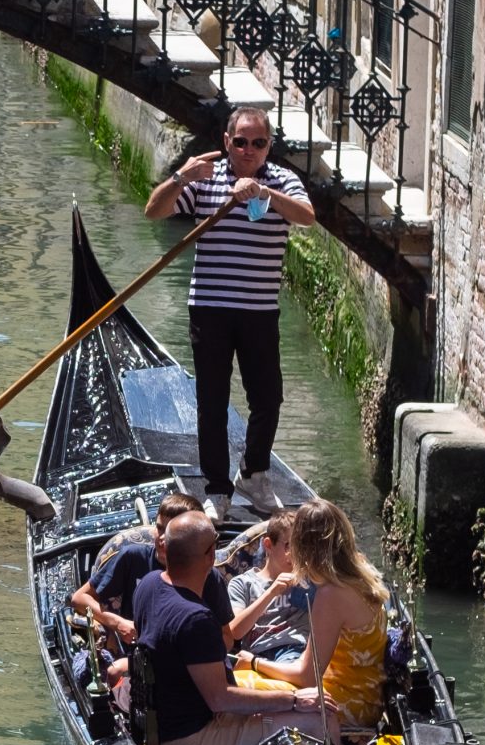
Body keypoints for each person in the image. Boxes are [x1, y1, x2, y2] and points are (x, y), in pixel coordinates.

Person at [142, 104, 316, 522]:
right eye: (241, 142)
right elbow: (154, 211)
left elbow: (307, 218)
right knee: (212, 401)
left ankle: (254, 475)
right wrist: (183, 175)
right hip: (210, 307)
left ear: (268, 145)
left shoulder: (283, 180)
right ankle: (217, 488)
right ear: (227, 142)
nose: (249, 150)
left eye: (258, 143)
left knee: (268, 398)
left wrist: (262, 194)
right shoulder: (207, 178)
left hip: (259, 311)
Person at [112, 513, 337, 745]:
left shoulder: (149, 584)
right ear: (210, 556)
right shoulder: (196, 619)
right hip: (194, 739)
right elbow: (221, 698)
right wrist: (295, 700)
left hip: (173, 720)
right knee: (322, 717)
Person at [229, 499, 391, 730]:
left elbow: (307, 678)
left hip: (344, 702)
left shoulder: (330, 594)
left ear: (302, 547)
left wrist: (254, 662)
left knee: (235, 687)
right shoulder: (362, 573)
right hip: (368, 696)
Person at [67, 492, 223, 643]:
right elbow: (79, 598)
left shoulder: (208, 575)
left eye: (171, 532)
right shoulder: (133, 558)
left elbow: (227, 638)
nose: (162, 538)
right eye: (160, 528)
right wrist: (117, 622)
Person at [224, 512, 312, 665]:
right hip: (258, 652)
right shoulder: (243, 583)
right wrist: (271, 593)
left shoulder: (310, 578)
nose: (296, 554)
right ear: (268, 545)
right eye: (289, 546)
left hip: (299, 649)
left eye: (302, 546)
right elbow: (235, 632)